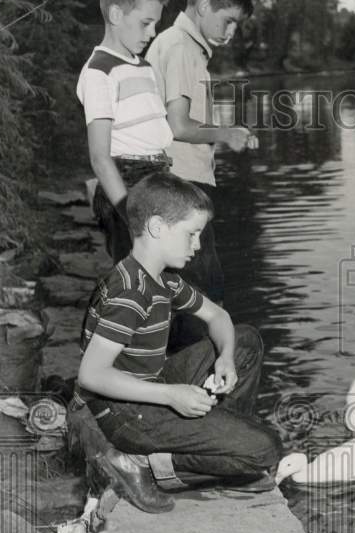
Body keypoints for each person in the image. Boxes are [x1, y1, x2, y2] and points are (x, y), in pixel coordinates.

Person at [73, 172, 283, 513]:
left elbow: (219, 318)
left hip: (148, 386)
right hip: (123, 412)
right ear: (157, 227)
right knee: (265, 450)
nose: (198, 245)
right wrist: (172, 395)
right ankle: (135, 464)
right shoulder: (130, 293)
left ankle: (215, 441)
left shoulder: (162, 280)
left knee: (246, 340)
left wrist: (225, 359)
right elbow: (92, 375)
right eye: (191, 234)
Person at [145, 0, 257, 351]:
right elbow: (178, 125)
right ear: (204, 6)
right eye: (228, 21)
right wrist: (227, 134)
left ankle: (177, 377)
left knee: (191, 291)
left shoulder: (180, 47)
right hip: (180, 186)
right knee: (201, 293)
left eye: (236, 26)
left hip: (178, 185)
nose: (231, 32)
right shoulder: (180, 48)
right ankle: (189, 383)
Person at [75, 0, 175, 265]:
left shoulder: (142, 67)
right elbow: (100, 158)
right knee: (138, 283)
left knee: (167, 282)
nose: (153, 32)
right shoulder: (99, 72)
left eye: (156, 24)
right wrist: (129, 213)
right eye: (146, 23)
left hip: (158, 180)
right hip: (126, 186)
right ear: (116, 15)